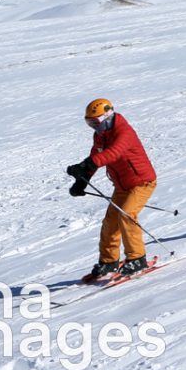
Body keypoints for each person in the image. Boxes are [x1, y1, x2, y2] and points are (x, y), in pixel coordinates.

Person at [66, 98, 158, 281]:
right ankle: (109, 261)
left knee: (127, 214)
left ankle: (137, 258)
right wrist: (82, 180)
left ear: (108, 116)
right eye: (90, 123)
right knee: (110, 222)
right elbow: (96, 155)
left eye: (96, 122)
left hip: (142, 182)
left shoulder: (124, 132)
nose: (94, 127)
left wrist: (87, 163)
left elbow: (113, 153)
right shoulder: (101, 134)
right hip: (122, 185)